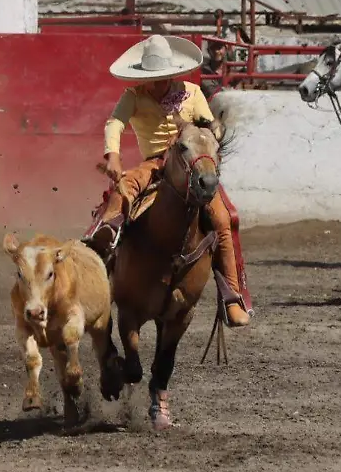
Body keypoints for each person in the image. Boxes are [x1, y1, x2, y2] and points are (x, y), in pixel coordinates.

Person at [83, 35, 251, 328]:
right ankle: (103, 243)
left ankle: (232, 296)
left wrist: (212, 133)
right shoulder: (133, 96)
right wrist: (113, 156)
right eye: (151, 78)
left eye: (161, 78)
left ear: (172, 75)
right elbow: (115, 123)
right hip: (154, 163)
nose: (156, 84)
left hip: (189, 163)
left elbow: (207, 130)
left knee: (225, 217)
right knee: (124, 191)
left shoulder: (192, 93)